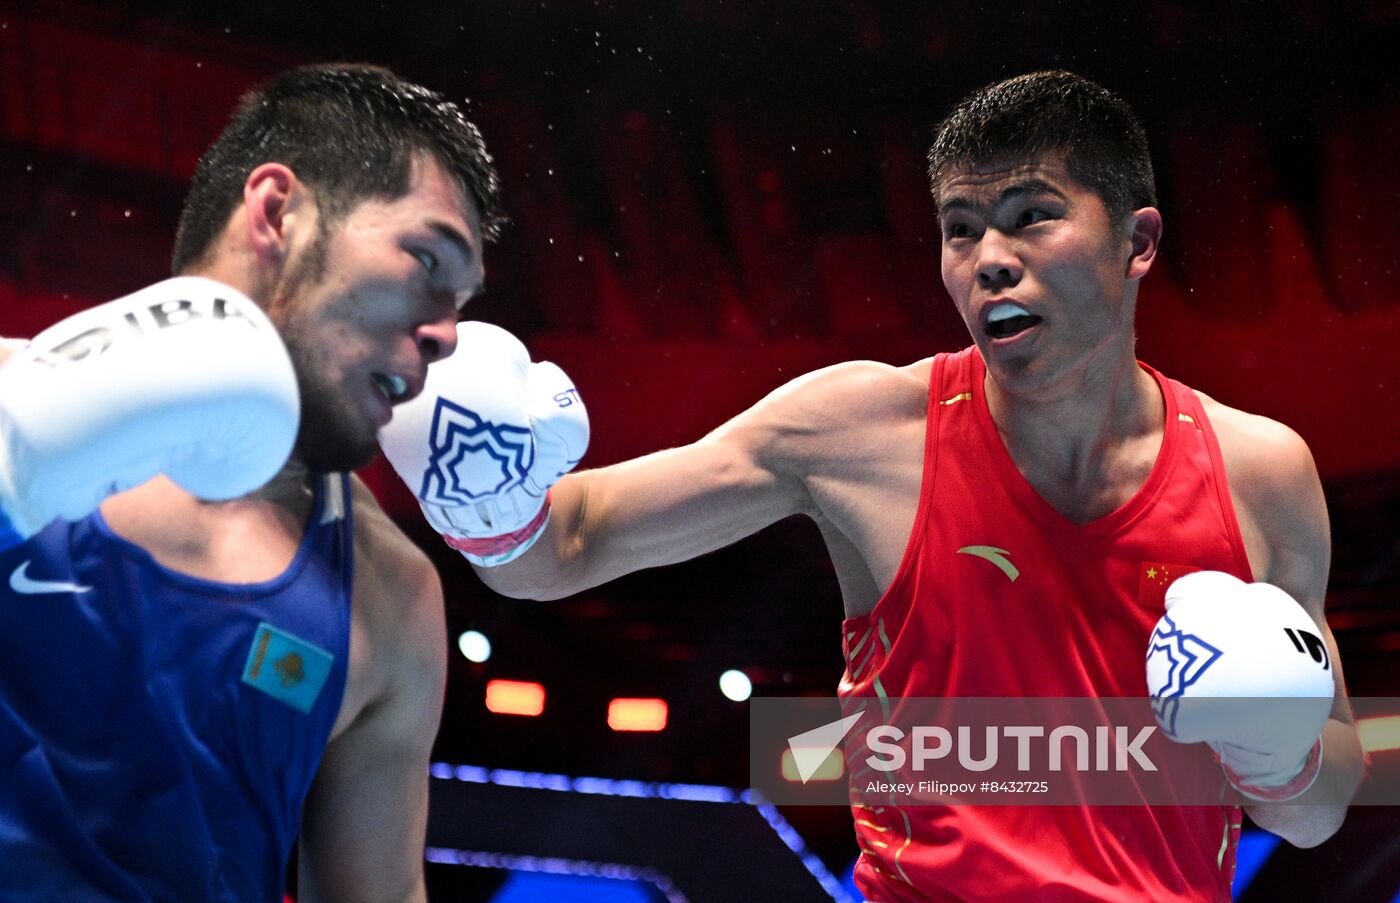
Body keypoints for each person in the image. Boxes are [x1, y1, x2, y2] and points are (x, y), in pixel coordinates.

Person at [381, 70, 1364, 901]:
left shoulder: (1258, 473)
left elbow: (1315, 814)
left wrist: (1276, 751)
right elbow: (564, 546)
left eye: (1030, 219)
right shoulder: (860, 431)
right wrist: (486, 495)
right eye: (960, 229)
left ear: (1137, 243)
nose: (988, 262)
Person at [0, 63, 503, 902]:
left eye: (462, 301)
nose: (449, 335)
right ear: (278, 212)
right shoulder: (9, 400)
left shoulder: (389, 597)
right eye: (424, 260)